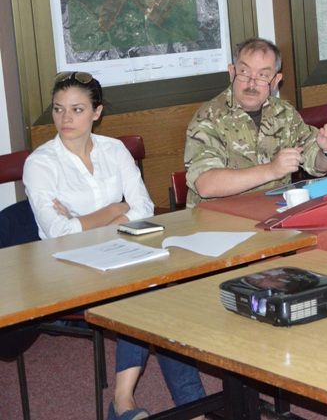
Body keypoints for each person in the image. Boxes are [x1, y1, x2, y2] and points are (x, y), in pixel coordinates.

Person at [24, 72, 204, 420]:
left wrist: (88, 220)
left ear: (97, 112)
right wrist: (113, 210)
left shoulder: (114, 149)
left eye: (77, 109)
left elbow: (144, 208)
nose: (65, 118)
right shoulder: (41, 163)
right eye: (58, 109)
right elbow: (60, 232)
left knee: (154, 293)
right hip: (67, 268)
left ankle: (128, 402)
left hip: (124, 254)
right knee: (149, 293)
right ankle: (178, 407)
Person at [184, 38, 327, 207]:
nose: (251, 83)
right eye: (244, 72)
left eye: (262, 76)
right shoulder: (209, 117)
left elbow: (318, 166)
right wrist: (272, 170)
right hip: (218, 217)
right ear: (232, 73)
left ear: (275, 81)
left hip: (273, 210)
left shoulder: (284, 113)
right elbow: (206, 185)